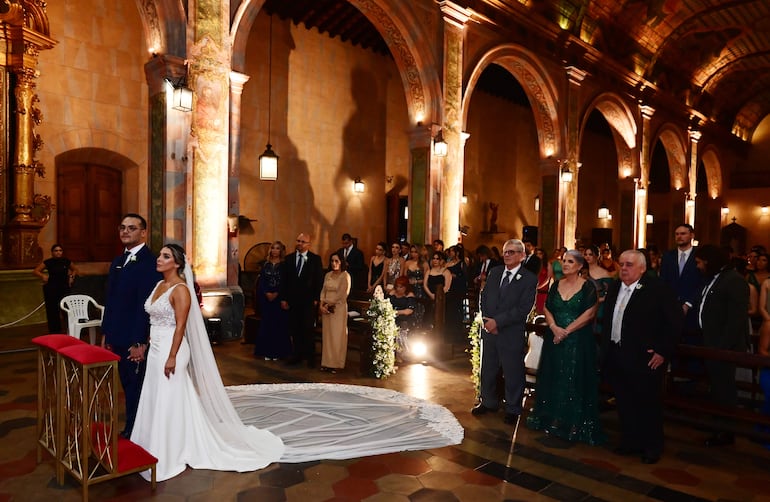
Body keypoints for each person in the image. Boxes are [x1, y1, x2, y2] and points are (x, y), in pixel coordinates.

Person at [131, 244, 284, 481]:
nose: (159, 259)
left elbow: (180, 326)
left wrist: (172, 356)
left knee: (168, 395)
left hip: (172, 349)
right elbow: (155, 319)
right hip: (156, 349)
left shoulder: (181, 289)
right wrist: (148, 344)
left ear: (177, 263)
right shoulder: (159, 285)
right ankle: (155, 442)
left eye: (165, 256)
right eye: (160, 255)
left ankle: (171, 449)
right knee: (158, 395)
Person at [601, 250, 681, 464]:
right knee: (625, 402)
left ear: (642, 268)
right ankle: (630, 441)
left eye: (629, 265)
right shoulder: (615, 286)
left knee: (647, 403)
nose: (624, 268)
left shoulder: (657, 289)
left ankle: (652, 446)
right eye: (621, 264)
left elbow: (673, 323)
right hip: (618, 354)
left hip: (644, 358)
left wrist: (663, 351)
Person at [526, 250, 605, 444]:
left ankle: (573, 423)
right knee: (554, 376)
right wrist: (554, 327)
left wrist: (566, 331)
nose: (565, 264)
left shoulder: (588, 287)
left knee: (573, 379)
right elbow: (547, 308)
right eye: (564, 261)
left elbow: (589, 314)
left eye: (570, 262)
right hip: (555, 339)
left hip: (577, 340)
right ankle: (551, 418)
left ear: (579, 266)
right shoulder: (556, 284)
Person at [101, 213, 162, 438]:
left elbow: (143, 306)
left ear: (143, 232)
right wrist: (106, 332)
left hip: (133, 338)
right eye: (122, 227)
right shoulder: (118, 261)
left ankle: (134, 431)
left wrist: (139, 341)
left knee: (136, 387)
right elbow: (110, 299)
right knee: (126, 385)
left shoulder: (149, 262)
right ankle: (133, 426)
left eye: (132, 228)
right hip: (116, 335)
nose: (125, 231)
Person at [472, 239, 538, 424]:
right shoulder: (495, 272)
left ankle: (512, 408)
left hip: (510, 332)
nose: (507, 255)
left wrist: (498, 322)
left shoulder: (528, 278)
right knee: (488, 369)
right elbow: (484, 297)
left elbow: (524, 308)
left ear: (522, 255)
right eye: (505, 252)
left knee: (512, 372)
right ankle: (488, 402)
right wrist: (487, 320)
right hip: (489, 330)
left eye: (511, 252)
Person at [694, 244, 749, 447]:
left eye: (699, 262)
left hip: (724, 349)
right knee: (716, 389)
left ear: (709, 261)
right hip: (711, 345)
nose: (698, 266)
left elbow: (736, 321)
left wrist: (721, 349)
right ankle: (717, 424)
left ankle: (726, 432)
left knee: (724, 391)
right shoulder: (715, 279)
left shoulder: (734, 281)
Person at [281, 232, 324, 368]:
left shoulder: (315, 259)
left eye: (302, 241)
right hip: (293, 300)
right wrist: (284, 298)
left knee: (308, 329)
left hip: (308, 301)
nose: (299, 243)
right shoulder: (289, 259)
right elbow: (284, 281)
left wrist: (316, 298)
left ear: (308, 244)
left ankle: (310, 357)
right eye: (298, 240)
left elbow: (319, 280)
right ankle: (297, 355)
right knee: (295, 328)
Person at [659, 224, 704, 343]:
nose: (679, 237)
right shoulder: (668, 256)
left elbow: (702, 283)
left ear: (691, 235)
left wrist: (689, 303)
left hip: (693, 308)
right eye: (677, 234)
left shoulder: (699, 255)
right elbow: (663, 281)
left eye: (683, 234)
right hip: (671, 307)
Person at [254, 241, 291, 360]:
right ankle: (266, 351)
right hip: (267, 299)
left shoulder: (284, 266)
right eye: (273, 248)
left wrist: (276, 293)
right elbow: (262, 281)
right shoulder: (265, 265)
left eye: (277, 248)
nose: (275, 251)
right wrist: (267, 293)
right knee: (267, 324)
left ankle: (277, 352)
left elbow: (285, 282)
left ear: (281, 251)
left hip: (279, 299)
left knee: (278, 325)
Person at [33, 244, 78, 333]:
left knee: (67, 309)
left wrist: (72, 276)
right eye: (56, 251)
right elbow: (35, 271)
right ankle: (54, 331)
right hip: (52, 288)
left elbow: (75, 269)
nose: (58, 252)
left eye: (60, 250)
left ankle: (70, 329)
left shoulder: (66, 261)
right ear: (52, 252)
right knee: (52, 310)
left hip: (64, 287)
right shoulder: (48, 262)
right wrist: (43, 276)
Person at [319, 254, 351, 373]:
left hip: (338, 308)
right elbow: (323, 291)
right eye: (332, 261)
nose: (334, 263)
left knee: (337, 336)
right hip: (326, 309)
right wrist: (322, 304)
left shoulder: (345, 276)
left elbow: (342, 294)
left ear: (341, 262)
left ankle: (336, 363)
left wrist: (327, 304)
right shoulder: (328, 275)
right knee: (327, 336)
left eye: (336, 261)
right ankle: (326, 362)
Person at [584, 245, 613, 333]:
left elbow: (610, 293)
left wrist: (599, 299)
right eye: (585, 254)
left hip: (599, 307)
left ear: (597, 256)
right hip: (583, 306)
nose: (587, 257)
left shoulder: (604, 273)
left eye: (590, 254)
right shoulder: (580, 272)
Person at [445, 245, 468, 344]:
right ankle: (448, 333)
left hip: (457, 290)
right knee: (449, 312)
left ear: (457, 253)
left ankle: (457, 334)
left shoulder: (462, 264)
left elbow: (465, 278)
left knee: (456, 312)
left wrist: (456, 276)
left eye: (452, 251)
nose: (450, 253)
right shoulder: (448, 263)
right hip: (449, 290)